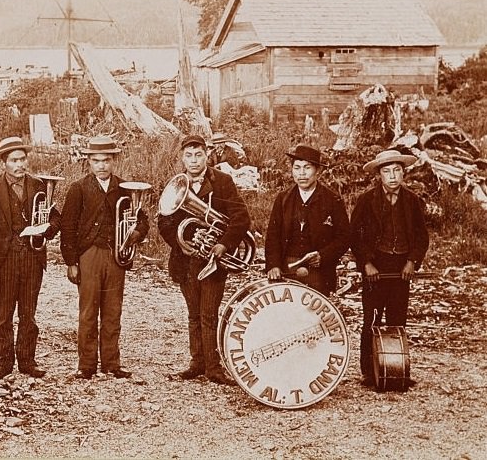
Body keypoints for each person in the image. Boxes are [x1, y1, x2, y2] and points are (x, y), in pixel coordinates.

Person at [158, 135, 251, 385]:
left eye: (198, 154)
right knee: (193, 315)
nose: (194, 160)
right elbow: (164, 223)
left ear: (207, 155)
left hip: (213, 261)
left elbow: (241, 217)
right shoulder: (177, 184)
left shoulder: (222, 181)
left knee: (209, 314)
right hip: (187, 260)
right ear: (182, 158)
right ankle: (197, 362)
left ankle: (213, 367)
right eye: (188, 155)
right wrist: (186, 242)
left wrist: (223, 243)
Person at [60, 135, 148, 379]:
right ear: (88, 161)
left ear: (114, 161)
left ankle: (111, 362)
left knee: (112, 311)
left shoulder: (126, 188)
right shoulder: (78, 188)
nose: (102, 165)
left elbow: (142, 219)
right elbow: (67, 227)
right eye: (96, 161)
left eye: (106, 160)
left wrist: (136, 233)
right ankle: (86, 364)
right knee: (88, 311)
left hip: (116, 256)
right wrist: (71, 262)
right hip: (88, 255)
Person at [0, 136, 60, 379]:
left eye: (22, 159)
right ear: (4, 162)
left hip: (32, 258)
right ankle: (4, 362)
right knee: (3, 314)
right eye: (14, 160)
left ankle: (27, 361)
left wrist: (47, 230)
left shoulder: (38, 185)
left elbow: (56, 217)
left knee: (28, 313)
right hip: (5, 261)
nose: (19, 165)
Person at [350, 149, 429, 388]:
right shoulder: (367, 200)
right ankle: (368, 371)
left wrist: (412, 261)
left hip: (400, 268)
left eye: (397, 171)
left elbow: (421, 237)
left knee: (398, 320)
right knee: (371, 320)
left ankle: (397, 369)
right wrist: (366, 263)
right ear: (379, 175)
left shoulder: (412, 200)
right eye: (387, 171)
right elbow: (354, 236)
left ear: (404, 173)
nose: (392, 176)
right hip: (376, 267)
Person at [264, 144, 351, 294]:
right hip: (287, 268)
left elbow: (344, 237)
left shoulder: (332, 200)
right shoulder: (283, 198)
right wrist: (273, 265)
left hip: (319, 271)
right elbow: (273, 235)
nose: (302, 174)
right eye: (297, 168)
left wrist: (323, 256)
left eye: (307, 168)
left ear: (318, 171)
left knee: (313, 316)